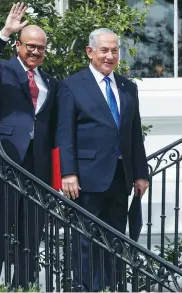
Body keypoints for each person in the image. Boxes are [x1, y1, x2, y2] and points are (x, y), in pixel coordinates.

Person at [56, 28, 149, 291]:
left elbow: (134, 134)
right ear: (90, 52)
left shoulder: (127, 87)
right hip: (85, 178)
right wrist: (68, 172)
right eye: (104, 50)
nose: (110, 56)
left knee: (115, 239)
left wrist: (141, 173)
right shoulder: (72, 85)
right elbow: (65, 132)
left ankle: (111, 288)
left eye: (114, 50)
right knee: (84, 241)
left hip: (120, 177)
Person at [0, 3, 58, 288]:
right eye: (30, 46)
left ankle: (23, 285)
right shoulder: (2, 69)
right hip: (7, 159)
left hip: (39, 165)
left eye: (41, 48)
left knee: (32, 231)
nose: (35, 51)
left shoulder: (50, 82)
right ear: (19, 45)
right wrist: (5, 32)